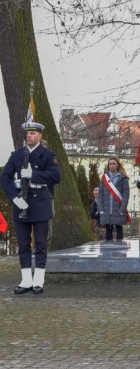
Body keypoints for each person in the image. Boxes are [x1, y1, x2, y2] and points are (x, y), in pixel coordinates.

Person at [1, 121, 62, 294]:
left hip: (40, 201)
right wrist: (15, 198)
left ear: (40, 136)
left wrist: (33, 175)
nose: (29, 136)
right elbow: (5, 177)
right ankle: (26, 279)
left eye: (33, 133)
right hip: (21, 201)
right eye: (28, 133)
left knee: (41, 243)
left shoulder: (48, 155)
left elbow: (56, 176)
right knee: (23, 244)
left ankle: (39, 279)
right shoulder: (17, 155)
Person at [98, 157, 130, 241]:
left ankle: (120, 248)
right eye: (110, 164)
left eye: (114, 164)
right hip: (107, 209)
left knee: (119, 228)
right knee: (108, 230)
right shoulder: (104, 178)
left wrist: (122, 208)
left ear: (118, 165)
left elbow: (126, 195)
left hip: (118, 208)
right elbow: (100, 194)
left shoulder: (123, 179)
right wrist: (100, 208)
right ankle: (108, 248)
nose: (112, 165)